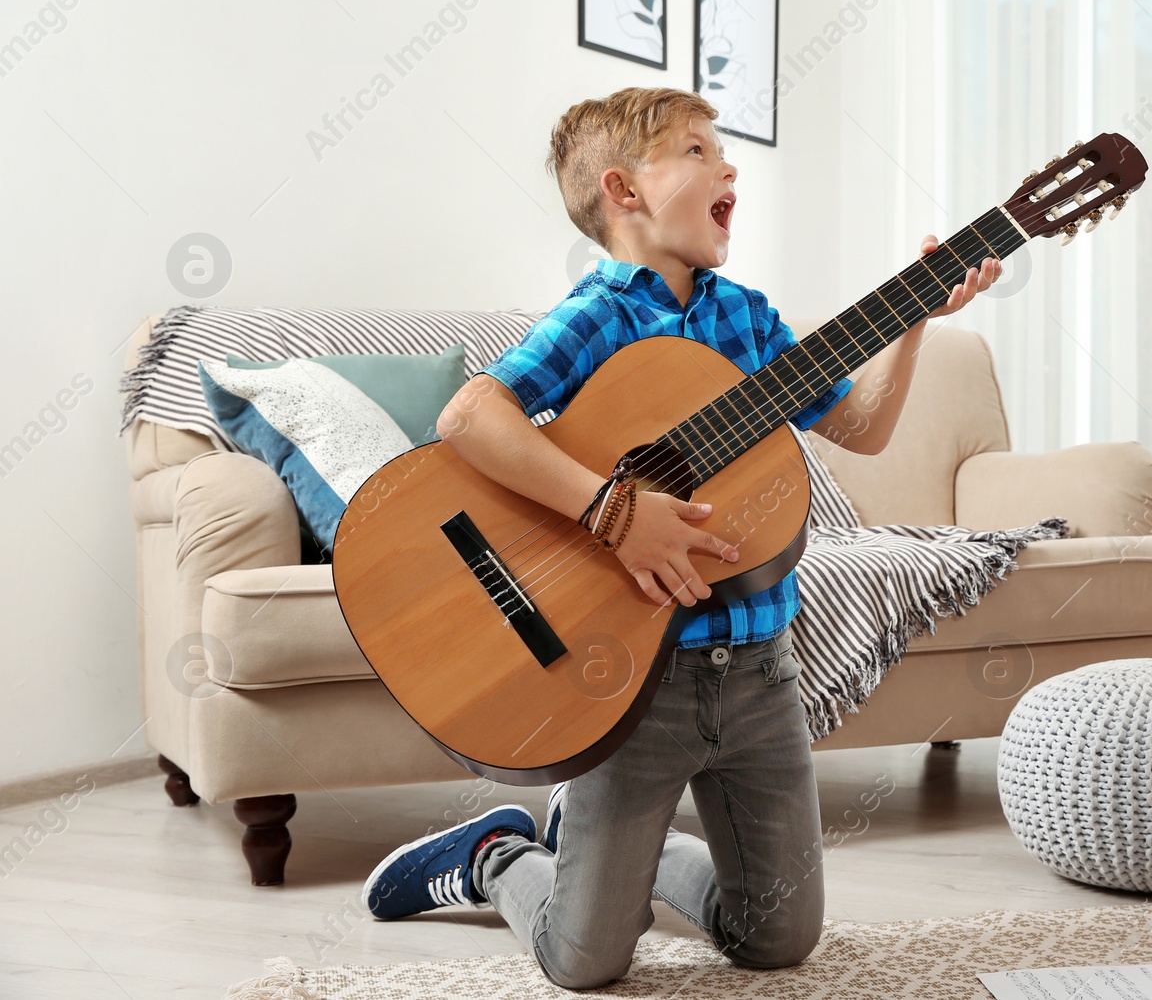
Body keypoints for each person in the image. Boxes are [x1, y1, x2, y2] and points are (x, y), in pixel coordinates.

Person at [360, 86, 1001, 990]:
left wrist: (917, 318)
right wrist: (611, 511)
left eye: (723, 152)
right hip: (633, 688)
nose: (728, 166)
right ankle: (500, 854)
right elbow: (472, 416)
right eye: (698, 151)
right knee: (583, 960)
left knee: (778, 938)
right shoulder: (598, 317)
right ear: (623, 190)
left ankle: (639, 862)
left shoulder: (745, 316)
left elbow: (859, 427)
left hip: (762, 674)